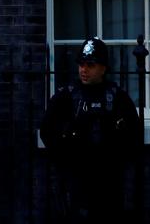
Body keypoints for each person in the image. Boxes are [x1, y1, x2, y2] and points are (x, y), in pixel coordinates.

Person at [40, 37, 141, 223]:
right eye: (81, 64)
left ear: (103, 68)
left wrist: (116, 158)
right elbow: (47, 129)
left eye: (90, 65)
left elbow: (134, 134)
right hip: (76, 183)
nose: (83, 70)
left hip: (109, 185)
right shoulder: (67, 96)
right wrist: (65, 156)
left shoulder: (117, 97)